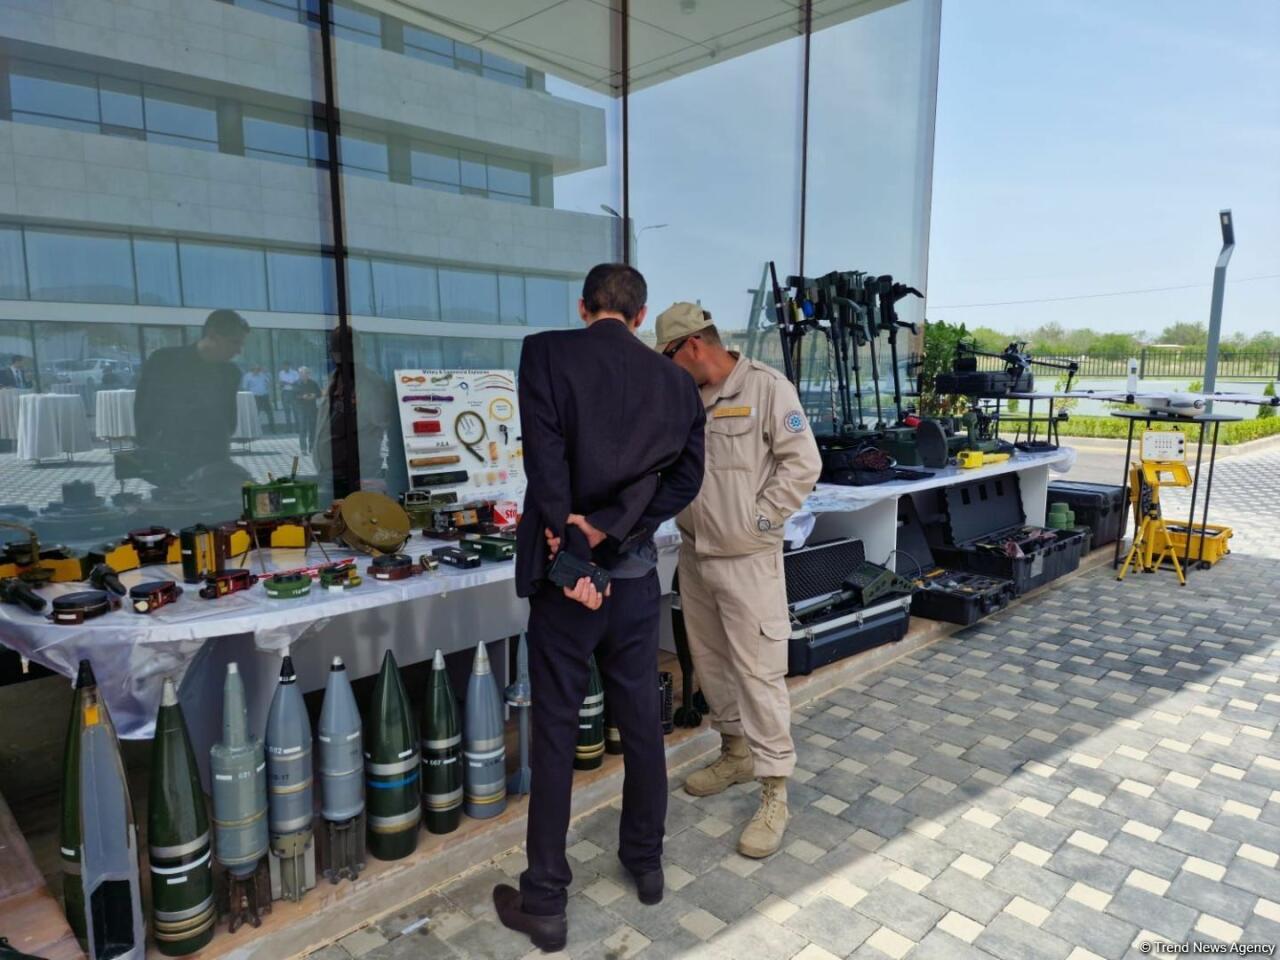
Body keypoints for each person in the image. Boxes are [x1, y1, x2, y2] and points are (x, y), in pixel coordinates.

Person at [493, 265, 706, 952]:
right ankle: (646, 863)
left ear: (584, 307)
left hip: (567, 585)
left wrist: (576, 549)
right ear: (641, 317)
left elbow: (545, 460)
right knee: (642, 722)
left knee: (557, 733)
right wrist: (615, 530)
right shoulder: (676, 382)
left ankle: (545, 900)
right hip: (636, 580)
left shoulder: (546, 353)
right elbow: (686, 479)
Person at [656, 302, 821, 859]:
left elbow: (803, 464)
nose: (668, 370)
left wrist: (761, 523)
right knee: (710, 663)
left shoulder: (767, 388)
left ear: (692, 346)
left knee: (758, 672)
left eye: (669, 357)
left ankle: (775, 792)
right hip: (695, 555)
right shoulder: (685, 398)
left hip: (747, 559)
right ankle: (735, 753)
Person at [134, 309, 248, 487]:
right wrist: (150, 452)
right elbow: (144, 410)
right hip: (169, 462)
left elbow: (229, 420)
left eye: (241, 344)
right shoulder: (165, 361)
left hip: (213, 462)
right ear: (212, 335)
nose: (238, 350)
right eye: (234, 342)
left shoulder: (231, 373)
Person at [292, 366, 321, 456]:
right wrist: (302, 397)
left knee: (312, 428)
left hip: (312, 408)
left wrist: (314, 395)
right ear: (300, 374)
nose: (305, 375)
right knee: (302, 428)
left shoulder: (313, 383)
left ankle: (312, 447)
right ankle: (303, 448)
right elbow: (293, 396)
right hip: (301, 408)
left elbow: (319, 393)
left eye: (307, 373)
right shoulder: (296, 383)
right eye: (303, 373)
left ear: (309, 374)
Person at [241, 364, 274, 432]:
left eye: (258, 369)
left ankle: (273, 430)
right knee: (256, 413)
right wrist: (247, 398)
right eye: (256, 369)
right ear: (252, 370)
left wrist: (267, 373)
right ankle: (254, 429)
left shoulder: (263, 375)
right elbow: (244, 387)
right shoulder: (247, 376)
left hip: (264, 396)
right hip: (255, 397)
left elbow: (270, 383)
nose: (257, 371)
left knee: (270, 412)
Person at [278, 361, 299, 430]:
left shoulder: (294, 373)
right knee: (287, 411)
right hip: (285, 392)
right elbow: (281, 383)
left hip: (293, 392)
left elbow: (296, 383)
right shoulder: (281, 373)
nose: (285, 367)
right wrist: (288, 383)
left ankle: (297, 428)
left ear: (289, 366)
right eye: (284, 366)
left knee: (295, 411)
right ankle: (288, 428)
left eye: (286, 366)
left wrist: (286, 383)